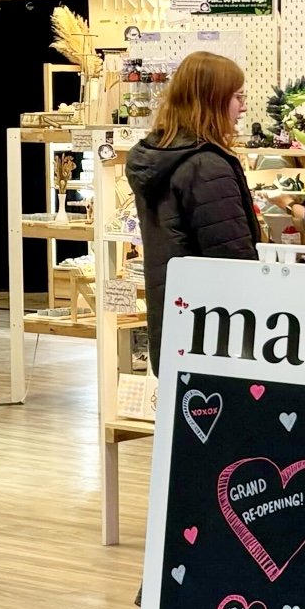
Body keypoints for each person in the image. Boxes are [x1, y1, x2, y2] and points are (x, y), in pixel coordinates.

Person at [125, 50, 259, 370]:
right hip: (214, 329)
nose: (243, 107)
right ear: (213, 100)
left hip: (178, 319)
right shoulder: (205, 166)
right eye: (237, 97)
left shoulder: (161, 159)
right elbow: (232, 260)